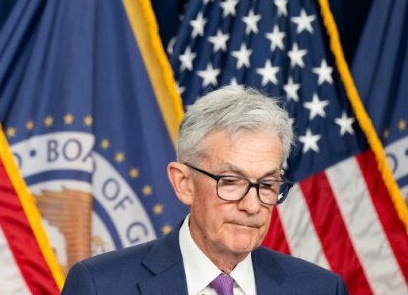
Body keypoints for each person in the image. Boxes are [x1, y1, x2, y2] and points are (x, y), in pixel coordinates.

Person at [62, 85, 347, 294]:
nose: (252, 206)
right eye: (231, 182)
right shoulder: (100, 286)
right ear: (183, 183)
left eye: (267, 185)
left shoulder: (321, 288)